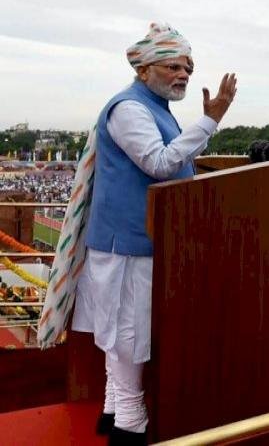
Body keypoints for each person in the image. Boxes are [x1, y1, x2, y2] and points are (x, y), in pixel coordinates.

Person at [71, 22, 237, 445]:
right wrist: (209, 121)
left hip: (137, 243)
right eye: (173, 66)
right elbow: (160, 164)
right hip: (127, 245)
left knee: (119, 334)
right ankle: (129, 422)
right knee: (126, 335)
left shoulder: (155, 108)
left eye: (188, 68)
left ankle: (113, 409)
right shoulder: (129, 108)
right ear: (144, 70)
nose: (183, 74)